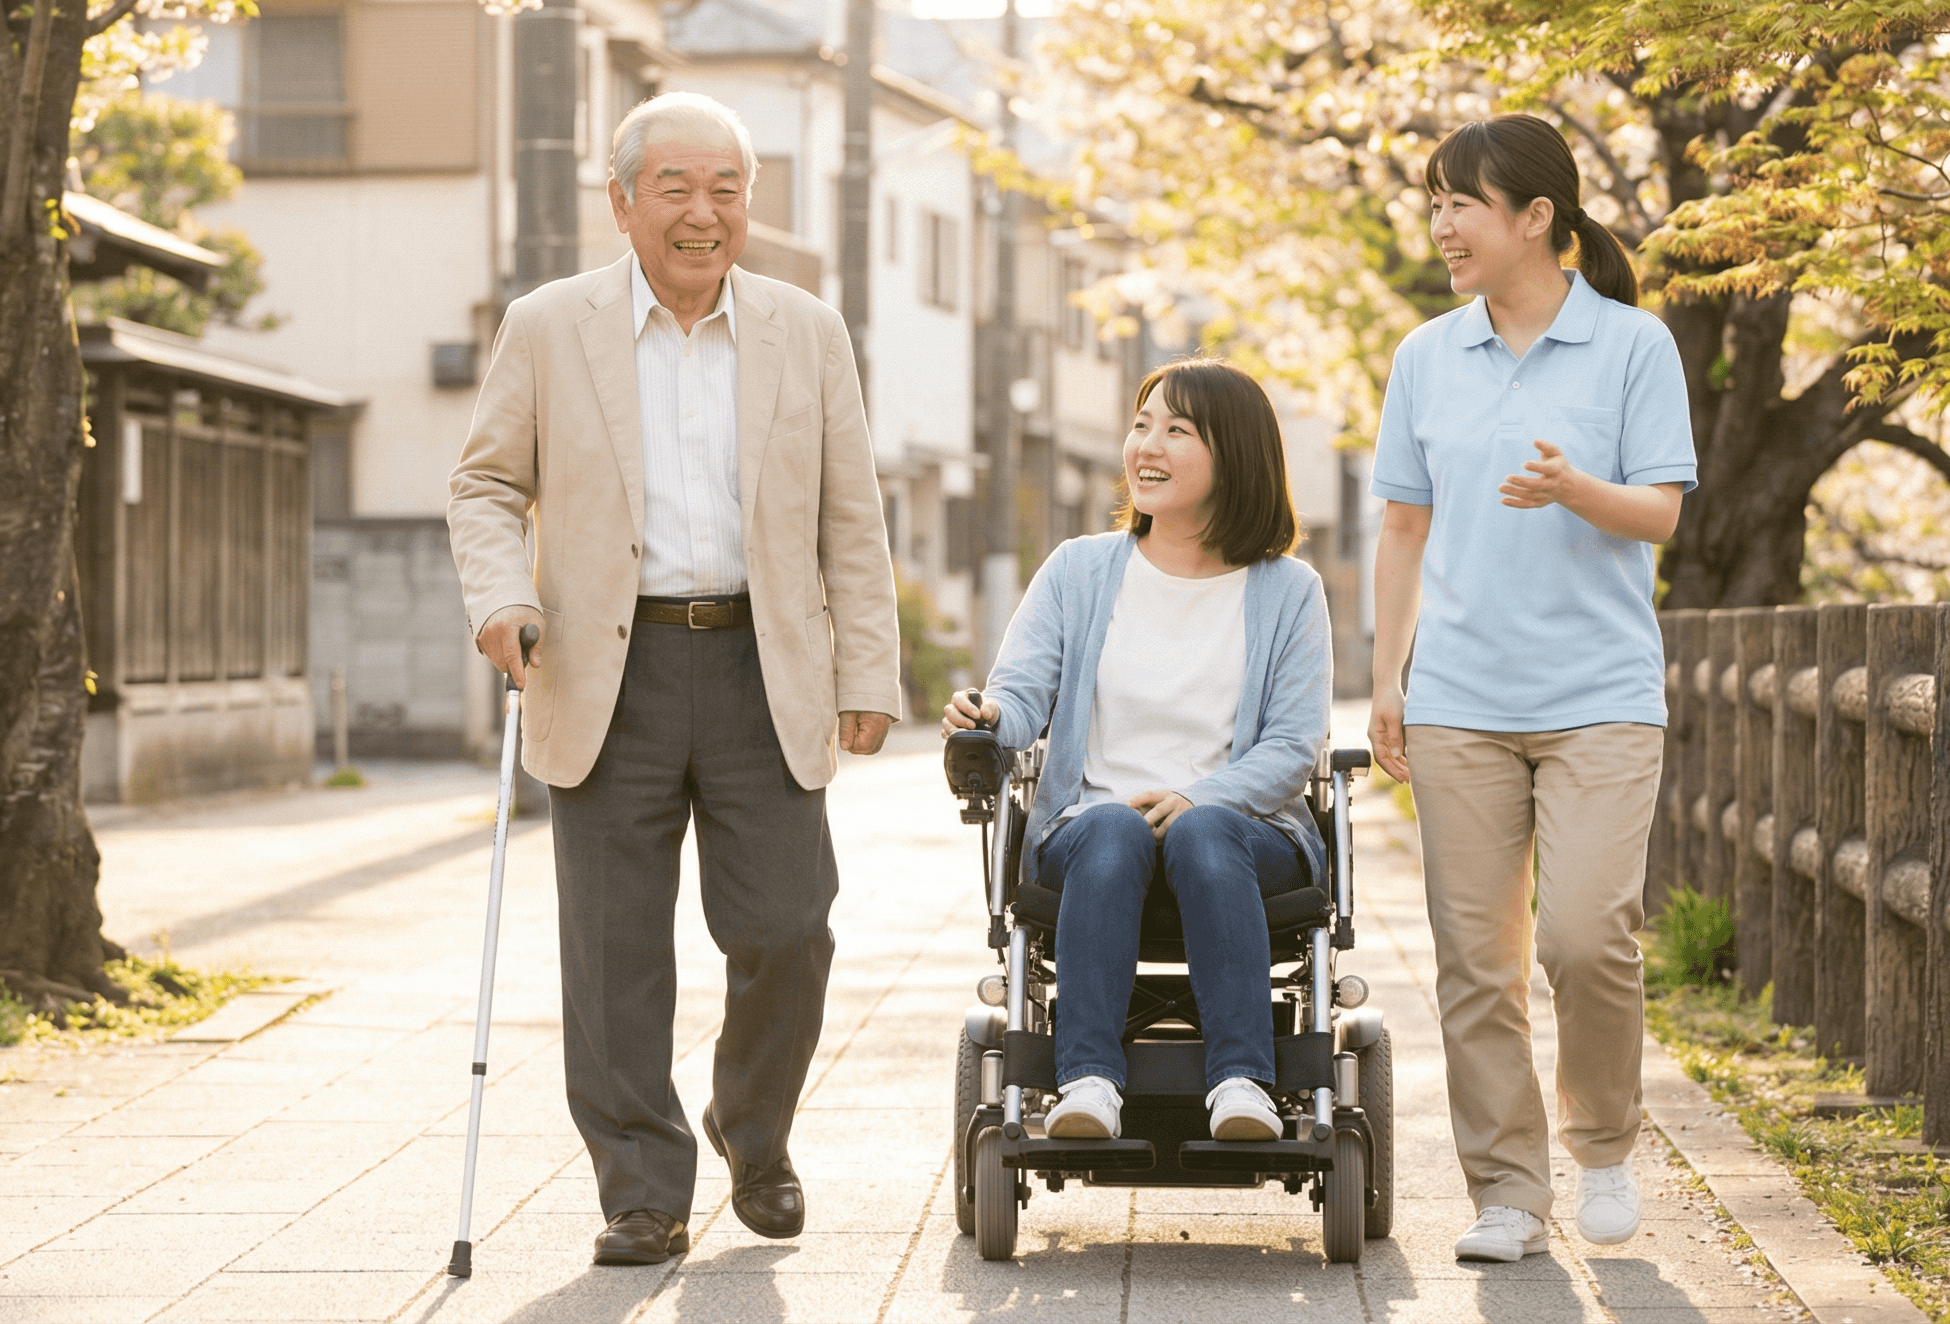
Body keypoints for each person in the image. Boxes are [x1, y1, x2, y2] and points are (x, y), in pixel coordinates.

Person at [448, 91, 902, 1268]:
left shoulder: (806, 330)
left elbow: (851, 515)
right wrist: (501, 595)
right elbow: (486, 485)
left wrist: (869, 667)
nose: (703, 215)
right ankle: (641, 1186)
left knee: (789, 927)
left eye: (726, 191)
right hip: (606, 661)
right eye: (676, 190)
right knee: (611, 946)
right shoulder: (549, 325)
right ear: (621, 202)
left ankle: (753, 1130)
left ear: (747, 202)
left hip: (765, 662)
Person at [1366, 114, 1697, 1263]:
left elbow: (1657, 510)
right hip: (1457, 694)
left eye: (1460, 202)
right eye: (1435, 202)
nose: (1440, 223)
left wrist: (1575, 488)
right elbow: (1401, 527)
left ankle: (1600, 1144)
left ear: (1534, 217)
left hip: (1600, 691)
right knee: (1474, 957)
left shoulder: (1630, 347)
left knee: (1584, 935)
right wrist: (1385, 679)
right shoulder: (1423, 356)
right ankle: (1506, 1189)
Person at [943, 358, 1333, 1144]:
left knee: (1202, 827)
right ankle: (1087, 1080)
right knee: (1116, 824)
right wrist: (989, 713)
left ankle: (1242, 1086)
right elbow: (1020, 695)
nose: (1146, 446)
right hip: (1095, 834)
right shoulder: (1079, 572)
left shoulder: (1289, 591)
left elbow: (1294, 746)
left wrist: (1203, 797)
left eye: (1177, 431)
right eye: (1142, 424)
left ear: (1237, 456)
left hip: (1244, 837)